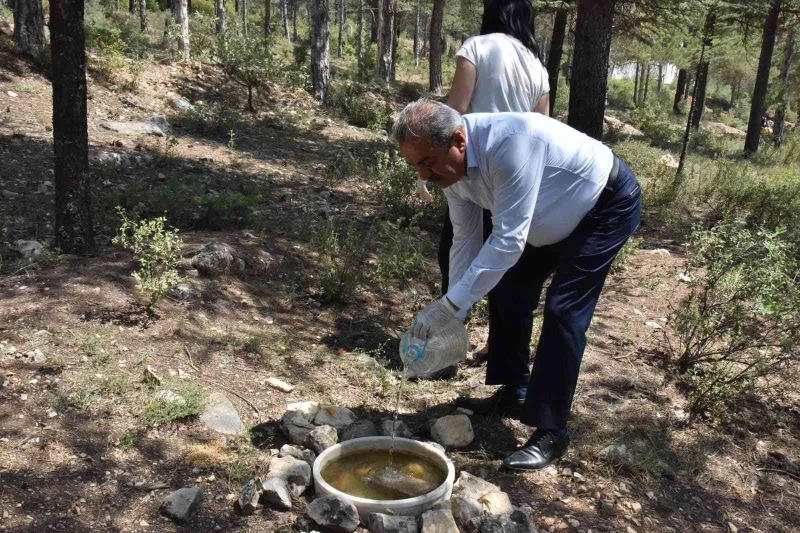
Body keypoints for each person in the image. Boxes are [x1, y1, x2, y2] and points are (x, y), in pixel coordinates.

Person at [393, 99, 641, 471]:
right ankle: (515, 390)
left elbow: (508, 240)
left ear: (459, 141)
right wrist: (453, 310)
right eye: (415, 166)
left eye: (427, 162)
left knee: (564, 310)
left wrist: (450, 306)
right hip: (543, 217)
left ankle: (551, 430)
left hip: (602, 206)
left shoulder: (512, 144)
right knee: (508, 291)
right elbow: (466, 237)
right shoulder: (449, 169)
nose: (424, 176)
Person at [418, 0, 550, 390]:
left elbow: (453, 113)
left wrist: (429, 164)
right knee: (507, 271)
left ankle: (447, 349)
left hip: (467, 166)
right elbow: (542, 130)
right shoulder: (538, 67)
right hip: (514, 178)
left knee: (459, 250)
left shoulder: (477, 46)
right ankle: (502, 354)